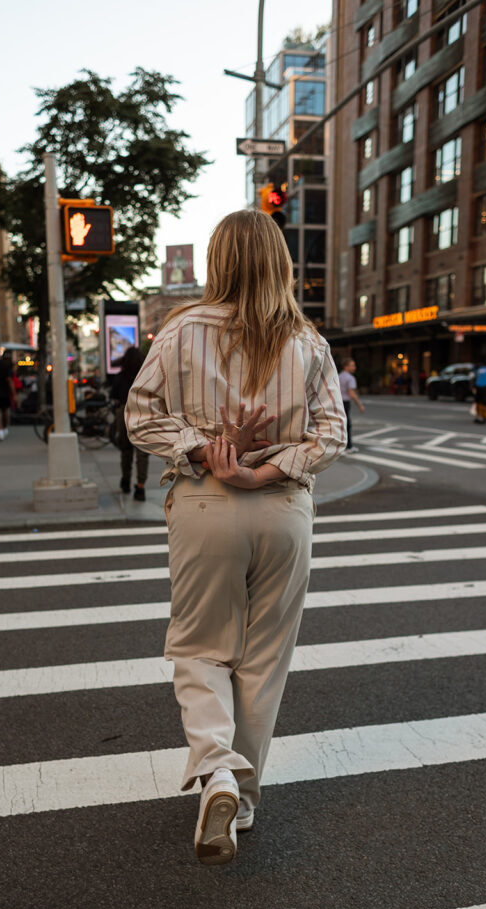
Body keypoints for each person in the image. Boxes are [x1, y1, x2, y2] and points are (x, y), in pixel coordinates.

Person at [126, 209, 346, 865]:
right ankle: (242, 798)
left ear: (217, 261)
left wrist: (205, 451)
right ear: (278, 262)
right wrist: (268, 470)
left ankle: (217, 772)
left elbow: (141, 416)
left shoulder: (182, 329)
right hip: (281, 509)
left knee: (200, 649)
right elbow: (331, 436)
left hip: (204, 503)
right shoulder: (307, 341)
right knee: (263, 660)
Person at [110, 346, 149, 501]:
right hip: (142, 413)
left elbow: (114, 395)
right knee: (142, 453)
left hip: (124, 413)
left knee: (126, 450)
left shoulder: (121, 376)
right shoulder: (145, 377)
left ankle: (125, 481)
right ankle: (140, 487)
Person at [338, 358, 365, 452]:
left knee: (339, 424)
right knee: (347, 424)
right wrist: (360, 405)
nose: (354, 367)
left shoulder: (339, 376)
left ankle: (339, 444)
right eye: (352, 365)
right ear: (346, 367)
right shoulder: (350, 378)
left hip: (338, 402)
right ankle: (349, 446)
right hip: (345, 402)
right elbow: (352, 393)